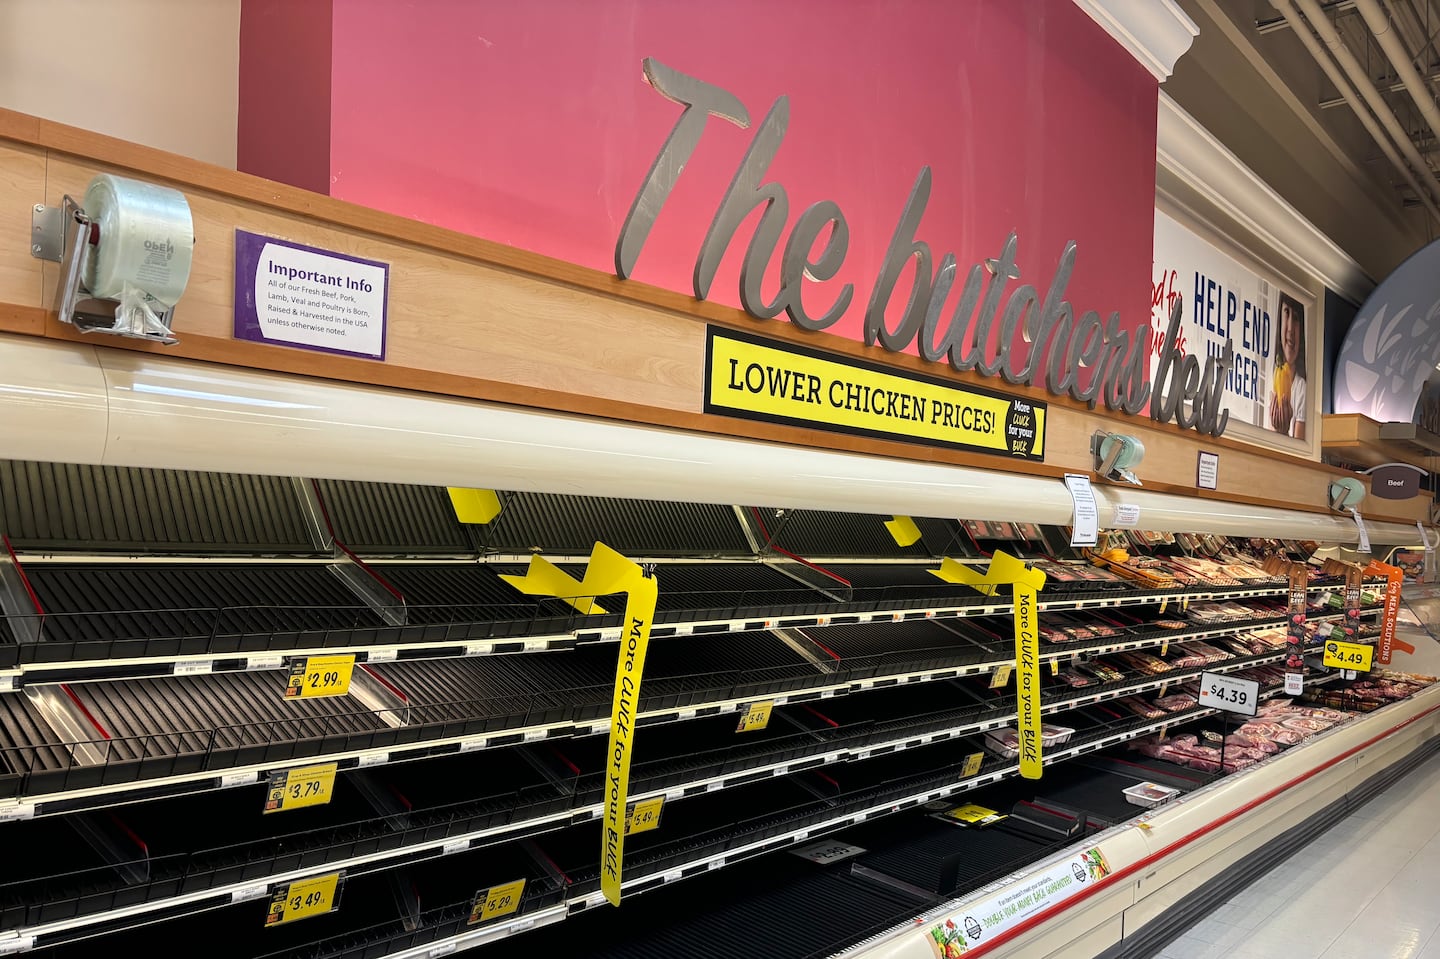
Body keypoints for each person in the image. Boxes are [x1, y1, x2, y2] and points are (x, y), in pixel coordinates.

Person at [1268, 293, 1306, 439]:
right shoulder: (1272, 378)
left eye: (1296, 319)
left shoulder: (1301, 388)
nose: (1290, 328)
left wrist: (1283, 432)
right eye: (1286, 313)